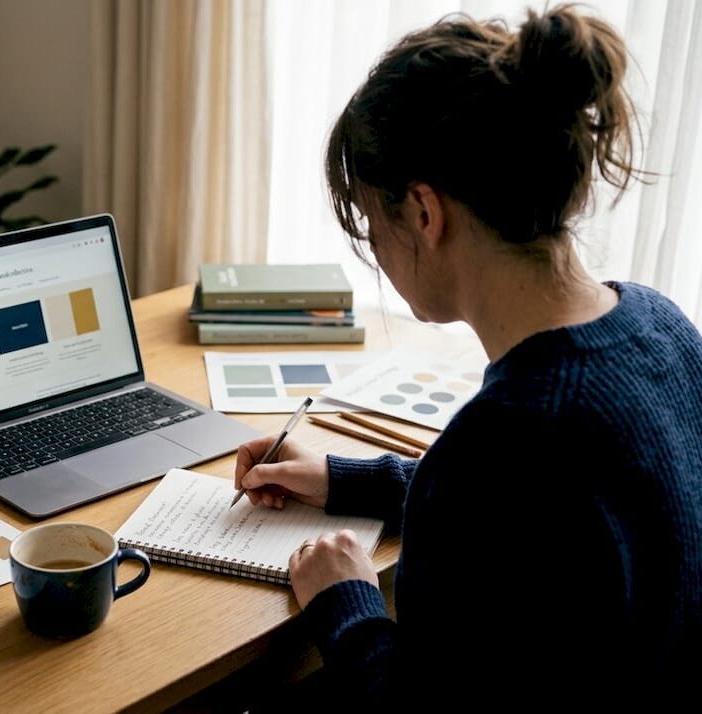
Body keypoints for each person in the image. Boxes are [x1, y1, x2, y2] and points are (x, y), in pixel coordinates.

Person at [234, 4, 702, 706]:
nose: (376, 251)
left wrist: (344, 599)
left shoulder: (508, 438)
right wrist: (340, 478)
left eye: (370, 220)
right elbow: (542, 515)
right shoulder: (660, 327)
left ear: (424, 214)